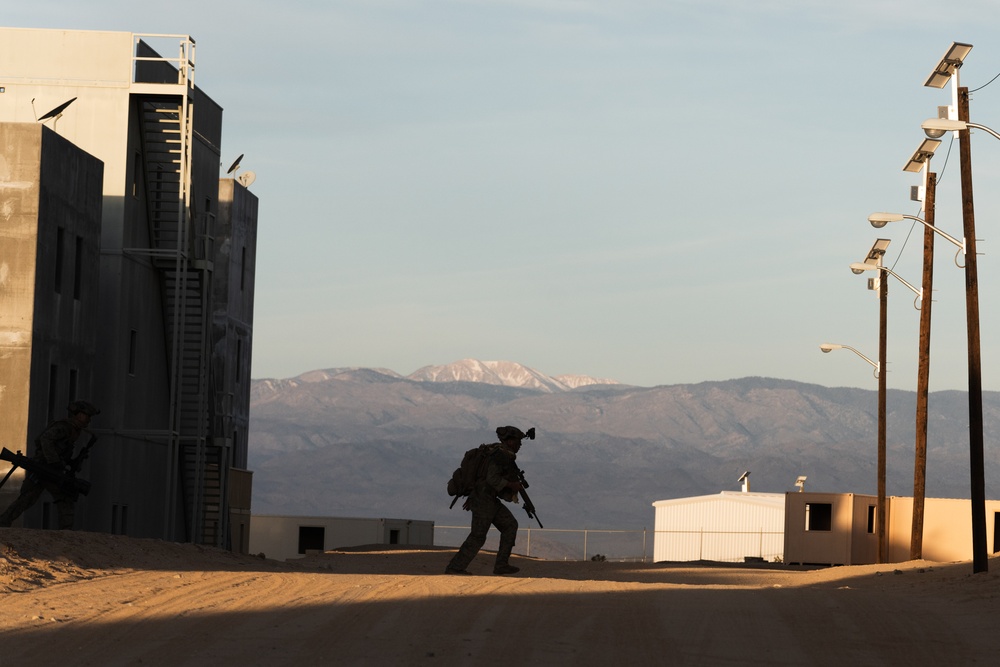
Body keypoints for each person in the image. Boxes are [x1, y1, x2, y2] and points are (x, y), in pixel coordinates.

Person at [0, 400, 100, 529]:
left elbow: (60, 450)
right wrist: (54, 462)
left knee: (64, 496)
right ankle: (3, 523)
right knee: (28, 498)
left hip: (50, 470)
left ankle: (66, 531)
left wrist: (69, 462)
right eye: (87, 416)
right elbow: (45, 439)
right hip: (43, 468)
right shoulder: (64, 426)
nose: (88, 420)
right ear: (78, 414)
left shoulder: (74, 430)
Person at [445, 425, 527, 576]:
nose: (520, 445)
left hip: (486, 499)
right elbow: (492, 479)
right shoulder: (499, 456)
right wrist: (511, 485)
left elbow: (482, 478)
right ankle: (455, 568)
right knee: (478, 535)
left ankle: (501, 565)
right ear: (509, 441)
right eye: (518, 441)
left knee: (510, 525)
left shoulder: (498, 453)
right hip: (484, 500)